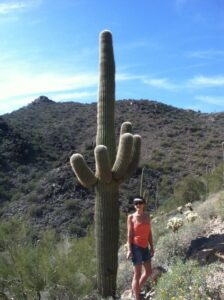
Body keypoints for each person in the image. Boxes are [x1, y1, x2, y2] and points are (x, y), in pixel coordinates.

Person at [126, 197, 154, 300]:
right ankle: (137, 297)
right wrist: (129, 249)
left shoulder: (147, 216)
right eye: (136, 203)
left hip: (145, 246)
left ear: (144, 204)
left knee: (148, 272)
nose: (138, 205)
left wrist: (152, 247)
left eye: (140, 203)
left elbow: (149, 233)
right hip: (136, 247)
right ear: (134, 205)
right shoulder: (131, 217)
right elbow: (129, 234)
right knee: (137, 274)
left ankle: (136, 290)